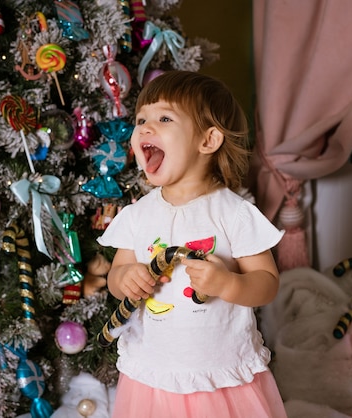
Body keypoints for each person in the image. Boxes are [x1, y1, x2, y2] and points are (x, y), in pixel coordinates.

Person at [97, 71, 287, 418]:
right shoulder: (137, 215)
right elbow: (115, 277)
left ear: (208, 140)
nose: (145, 128)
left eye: (164, 118)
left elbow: (267, 283)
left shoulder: (235, 213)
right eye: (141, 120)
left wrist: (229, 283)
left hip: (219, 376)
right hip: (152, 374)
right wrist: (126, 278)